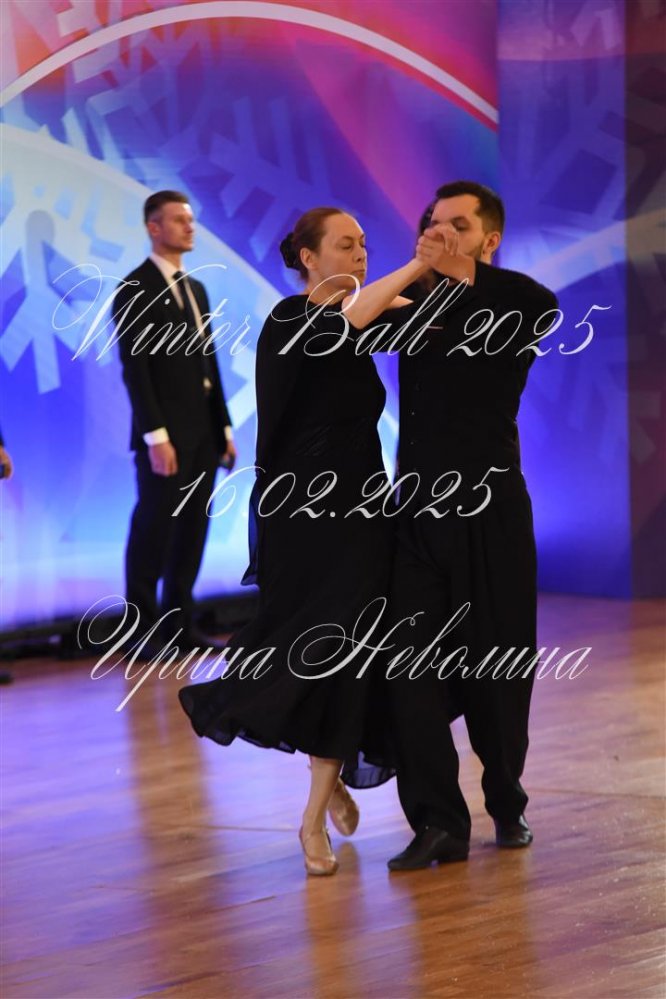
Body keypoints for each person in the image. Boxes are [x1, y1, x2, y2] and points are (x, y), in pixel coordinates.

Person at [179, 206, 457, 876]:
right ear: (307, 257)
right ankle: (317, 802)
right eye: (344, 244)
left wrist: (449, 268)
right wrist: (418, 263)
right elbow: (347, 322)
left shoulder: (365, 318)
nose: (359, 254)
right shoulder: (289, 321)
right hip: (305, 520)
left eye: (364, 244)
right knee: (313, 652)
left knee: (348, 656)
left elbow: (439, 322)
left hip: (364, 514)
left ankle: (318, 802)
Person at [386, 181, 558, 871]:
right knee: (407, 668)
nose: (441, 232)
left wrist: (453, 268)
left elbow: (537, 314)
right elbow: (345, 326)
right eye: (433, 222)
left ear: (491, 239)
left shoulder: (520, 301)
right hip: (415, 515)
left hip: (491, 513)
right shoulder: (410, 298)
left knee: (498, 669)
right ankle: (437, 821)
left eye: (458, 224)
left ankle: (506, 798)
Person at [113, 191, 236, 657]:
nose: (190, 227)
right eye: (179, 220)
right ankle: (139, 630)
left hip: (203, 432)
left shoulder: (195, 288)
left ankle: (179, 623)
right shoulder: (135, 288)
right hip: (164, 436)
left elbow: (209, 364)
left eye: (191, 219)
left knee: (192, 530)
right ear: (153, 227)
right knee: (154, 529)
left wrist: (223, 429)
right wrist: (155, 437)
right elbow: (137, 370)